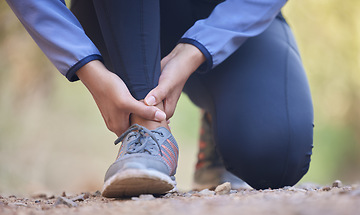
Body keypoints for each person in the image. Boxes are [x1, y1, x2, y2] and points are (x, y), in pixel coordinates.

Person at [6, 0, 313, 197]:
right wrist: (84, 62)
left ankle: (217, 124)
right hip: (119, 14)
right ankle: (148, 134)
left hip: (231, 13)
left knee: (276, 155)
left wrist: (199, 48)